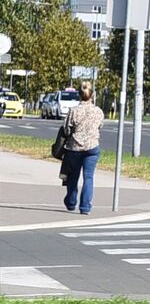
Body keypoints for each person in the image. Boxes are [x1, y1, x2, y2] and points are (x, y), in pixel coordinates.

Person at [59, 83, 105, 215]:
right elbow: (100, 126)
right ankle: (85, 207)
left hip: (75, 148)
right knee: (88, 177)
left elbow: (67, 130)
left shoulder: (74, 111)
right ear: (92, 95)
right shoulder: (98, 111)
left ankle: (71, 202)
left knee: (73, 176)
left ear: (79, 95)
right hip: (92, 147)